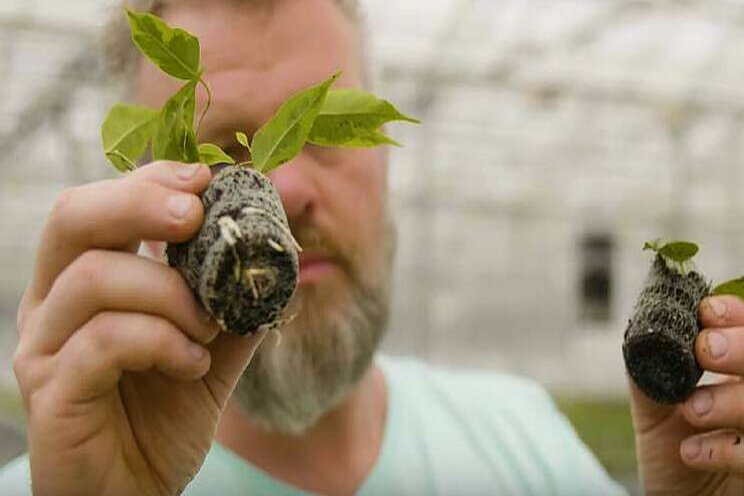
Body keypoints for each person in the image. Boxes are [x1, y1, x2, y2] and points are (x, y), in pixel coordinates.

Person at [2, 0, 744, 494]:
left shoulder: (527, 442)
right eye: (221, 150)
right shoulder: (55, 482)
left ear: (386, 163)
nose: (284, 189)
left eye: (323, 130)